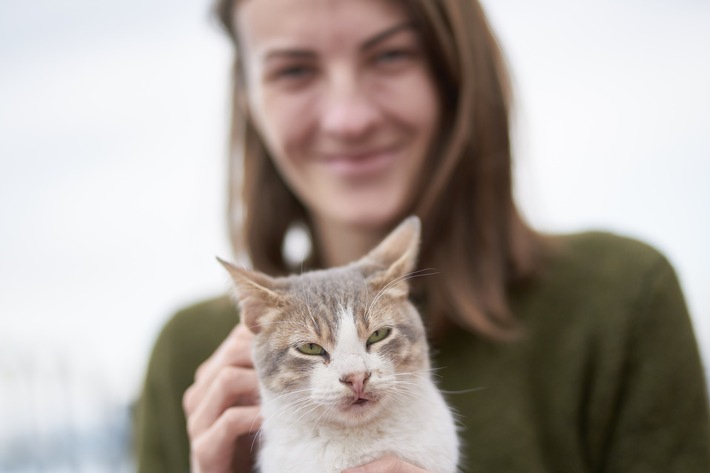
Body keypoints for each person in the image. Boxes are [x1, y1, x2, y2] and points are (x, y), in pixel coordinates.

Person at [134, 0, 710, 471]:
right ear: (248, 98)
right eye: (294, 69)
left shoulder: (620, 300)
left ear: (455, 70)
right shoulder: (191, 361)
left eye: (390, 55)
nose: (349, 117)